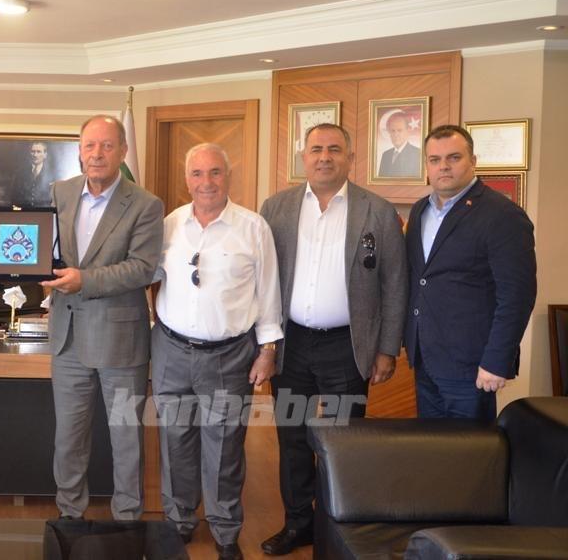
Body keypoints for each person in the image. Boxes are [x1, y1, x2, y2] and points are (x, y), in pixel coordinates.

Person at [259, 123, 407, 555]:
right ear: (303, 157)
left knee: (343, 440)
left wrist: (386, 349)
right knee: (292, 439)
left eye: (335, 149)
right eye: (316, 149)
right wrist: (264, 342)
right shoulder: (276, 208)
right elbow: (262, 278)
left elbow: (395, 284)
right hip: (292, 344)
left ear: (350, 158)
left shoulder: (377, 211)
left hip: (348, 346)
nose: (325, 157)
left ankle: (338, 525)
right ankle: (298, 524)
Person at [152, 143, 283, 560]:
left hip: (230, 355)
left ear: (228, 176)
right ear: (186, 178)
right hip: (171, 350)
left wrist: (268, 349)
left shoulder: (253, 227)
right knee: (175, 442)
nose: (205, 182)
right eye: (197, 173)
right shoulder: (169, 225)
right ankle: (179, 522)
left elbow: (269, 292)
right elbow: (146, 276)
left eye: (214, 172)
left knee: (225, 447)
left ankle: (226, 531)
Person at [41, 115, 163, 521]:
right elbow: (48, 251)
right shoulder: (59, 192)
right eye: (90, 145)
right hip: (67, 337)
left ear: (123, 152)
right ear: (79, 150)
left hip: (120, 342)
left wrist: (84, 280)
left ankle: (127, 516)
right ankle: (69, 513)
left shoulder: (145, 204)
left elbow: (142, 268)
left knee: (126, 438)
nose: (97, 154)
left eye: (107, 146)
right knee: (68, 437)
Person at [405, 124, 536, 420]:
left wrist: (496, 360)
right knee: (431, 445)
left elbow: (517, 296)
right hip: (425, 357)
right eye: (435, 159)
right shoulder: (419, 211)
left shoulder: (502, 215)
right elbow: (421, 280)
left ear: (473, 161)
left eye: (454, 157)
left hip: (472, 365)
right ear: (426, 166)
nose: (443, 166)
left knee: (471, 448)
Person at [12, 141, 57, 207]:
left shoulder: (53, 175)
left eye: (38, 152)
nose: (35, 155)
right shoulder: (20, 174)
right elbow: (14, 198)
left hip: (45, 212)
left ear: (45, 155)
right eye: (33, 151)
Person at [377, 112, 421, 178]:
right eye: (393, 131)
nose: (396, 135)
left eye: (399, 130)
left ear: (408, 131)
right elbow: (380, 180)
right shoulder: (386, 155)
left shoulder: (417, 154)